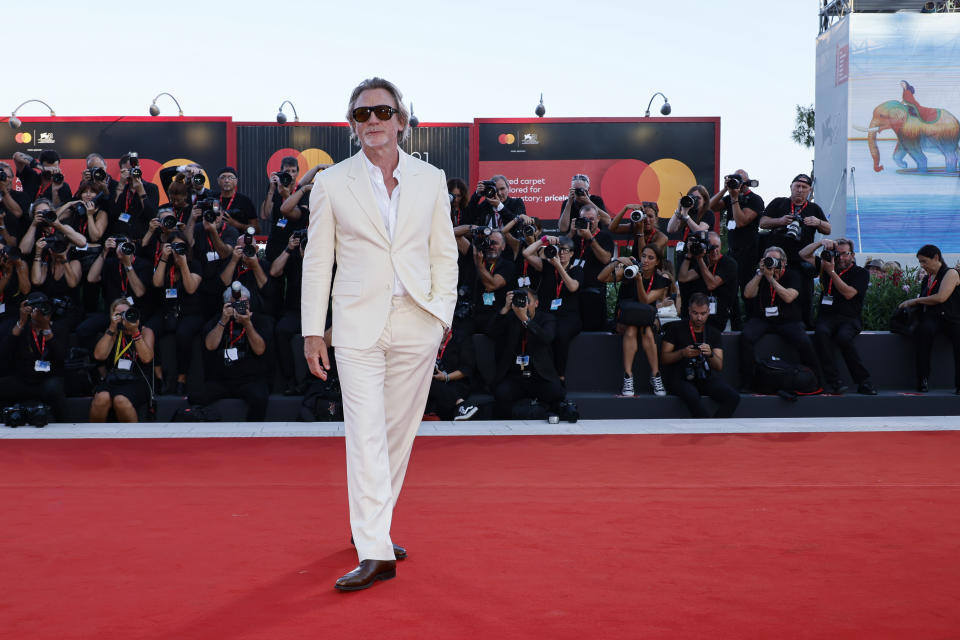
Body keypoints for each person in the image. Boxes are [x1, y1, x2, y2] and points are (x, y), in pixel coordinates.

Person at [301, 77, 458, 592]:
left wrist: (442, 315)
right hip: (356, 324)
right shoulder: (330, 183)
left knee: (396, 434)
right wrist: (311, 331)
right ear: (353, 125)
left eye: (382, 112)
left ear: (401, 121)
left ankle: (374, 525)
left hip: (417, 319)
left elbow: (444, 254)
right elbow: (318, 259)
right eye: (362, 114)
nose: (373, 121)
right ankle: (375, 550)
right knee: (365, 434)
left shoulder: (432, 180)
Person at [740, 246, 823, 391]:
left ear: (784, 262)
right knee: (745, 337)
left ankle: (816, 380)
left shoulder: (793, 275)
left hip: (788, 320)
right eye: (768, 259)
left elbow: (788, 297)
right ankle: (749, 381)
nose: (772, 263)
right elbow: (747, 294)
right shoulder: (760, 275)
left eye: (776, 260)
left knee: (804, 342)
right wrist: (760, 274)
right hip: (763, 319)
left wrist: (771, 279)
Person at [799, 237, 876, 395]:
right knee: (821, 334)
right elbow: (803, 254)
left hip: (849, 318)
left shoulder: (860, 273)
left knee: (843, 338)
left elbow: (848, 293)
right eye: (837, 254)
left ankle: (863, 381)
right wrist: (821, 243)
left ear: (852, 255)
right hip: (826, 317)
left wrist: (831, 272)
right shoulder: (827, 264)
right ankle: (834, 381)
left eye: (845, 254)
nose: (841, 258)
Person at [189, 284, 271, 420]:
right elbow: (210, 345)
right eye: (235, 304)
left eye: (243, 303)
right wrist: (223, 320)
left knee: (260, 398)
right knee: (196, 396)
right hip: (221, 380)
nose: (239, 307)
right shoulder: (218, 319)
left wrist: (247, 324)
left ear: (249, 303)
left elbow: (260, 350)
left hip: (250, 379)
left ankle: (253, 434)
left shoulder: (259, 321)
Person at [759, 174, 831, 328]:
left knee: (805, 300)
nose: (800, 190)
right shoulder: (779, 203)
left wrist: (817, 222)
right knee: (772, 296)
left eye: (804, 187)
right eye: (797, 186)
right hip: (777, 263)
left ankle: (806, 330)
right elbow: (762, 223)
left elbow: (828, 229)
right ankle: (769, 326)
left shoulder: (813, 208)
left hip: (802, 263)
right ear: (790, 187)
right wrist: (780, 221)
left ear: (810, 190)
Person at [598, 245, 669, 397]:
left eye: (651, 258)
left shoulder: (661, 281)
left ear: (657, 262)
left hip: (645, 321)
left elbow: (645, 301)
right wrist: (616, 261)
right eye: (643, 256)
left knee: (644, 331)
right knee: (632, 329)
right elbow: (601, 278)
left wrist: (638, 281)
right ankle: (629, 377)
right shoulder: (628, 272)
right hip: (625, 319)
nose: (645, 261)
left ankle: (655, 375)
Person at [488, 288, 567, 419]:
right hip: (515, 376)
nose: (523, 304)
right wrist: (505, 308)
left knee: (556, 392)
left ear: (536, 303)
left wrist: (525, 319)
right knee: (501, 393)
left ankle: (540, 410)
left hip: (539, 376)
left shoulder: (546, 318)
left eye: (527, 301)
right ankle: (520, 412)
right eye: (519, 301)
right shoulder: (511, 318)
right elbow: (491, 331)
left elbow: (547, 337)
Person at [660, 292, 739, 418]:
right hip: (680, 377)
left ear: (708, 311)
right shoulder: (675, 328)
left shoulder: (713, 333)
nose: (699, 318)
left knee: (733, 397)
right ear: (689, 311)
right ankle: (707, 430)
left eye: (703, 313)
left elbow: (719, 366)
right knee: (692, 396)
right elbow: (664, 359)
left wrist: (710, 354)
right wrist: (682, 353)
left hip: (704, 376)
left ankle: (714, 428)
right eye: (695, 313)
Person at [898, 244, 960, 393]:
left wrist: (914, 301)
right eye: (920, 262)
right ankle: (922, 379)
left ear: (936, 258)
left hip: (952, 318)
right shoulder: (927, 278)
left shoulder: (950, 273)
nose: (922, 265)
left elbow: (941, 297)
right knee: (922, 334)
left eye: (924, 261)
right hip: (933, 318)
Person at [522, 235, 583, 382]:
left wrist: (559, 266)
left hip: (568, 316)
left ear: (572, 253)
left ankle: (560, 376)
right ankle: (540, 374)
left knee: (560, 335)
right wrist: (543, 240)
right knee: (541, 334)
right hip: (548, 314)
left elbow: (573, 287)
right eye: (559, 250)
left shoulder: (576, 270)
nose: (562, 253)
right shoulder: (547, 266)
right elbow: (526, 253)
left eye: (565, 250)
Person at [0, 292, 67, 421]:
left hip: (47, 380)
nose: (41, 311)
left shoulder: (59, 328)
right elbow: (4, 354)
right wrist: (21, 322)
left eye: (44, 307)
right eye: (35, 308)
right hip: (22, 379)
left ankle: (63, 424)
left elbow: (61, 356)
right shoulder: (19, 328)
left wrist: (46, 329)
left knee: (54, 388)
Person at [709, 170, 764, 320]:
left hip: (749, 252)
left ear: (746, 182)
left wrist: (734, 199)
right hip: (733, 252)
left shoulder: (755, 199)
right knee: (731, 292)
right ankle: (735, 324)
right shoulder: (730, 196)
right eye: (734, 180)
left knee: (748, 292)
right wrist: (725, 189)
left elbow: (741, 222)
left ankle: (751, 322)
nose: (737, 184)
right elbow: (711, 206)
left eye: (739, 180)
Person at [89, 299, 156, 422]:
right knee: (101, 399)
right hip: (114, 378)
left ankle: (133, 439)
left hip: (138, 379)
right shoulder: (112, 332)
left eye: (126, 313)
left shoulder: (145, 331)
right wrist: (112, 328)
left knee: (121, 400)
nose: (123, 317)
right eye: (118, 314)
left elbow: (146, 358)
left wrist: (135, 331)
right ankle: (96, 438)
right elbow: (99, 356)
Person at [677, 231, 738, 330]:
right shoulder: (706, 263)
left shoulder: (729, 263)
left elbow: (712, 284)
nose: (714, 251)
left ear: (721, 246)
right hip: (702, 312)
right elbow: (683, 278)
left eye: (717, 247)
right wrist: (689, 255)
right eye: (711, 247)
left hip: (719, 313)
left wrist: (700, 259)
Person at [567, 204, 614, 331]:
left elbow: (605, 259)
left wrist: (590, 238)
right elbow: (561, 253)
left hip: (595, 291)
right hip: (574, 291)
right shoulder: (575, 236)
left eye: (591, 219)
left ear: (598, 218)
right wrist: (571, 233)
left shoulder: (605, 236)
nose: (588, 222)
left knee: (595, 330)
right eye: (585, 219)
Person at [215, 167, 260, 234]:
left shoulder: (245, 201)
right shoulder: (213, 198)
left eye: (230, 177)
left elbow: (256, 229)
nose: (227, 180)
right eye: (223, 177)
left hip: (239, 241)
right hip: (215, 239)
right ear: (218, 181)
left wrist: (236, 224)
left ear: (236, 181)